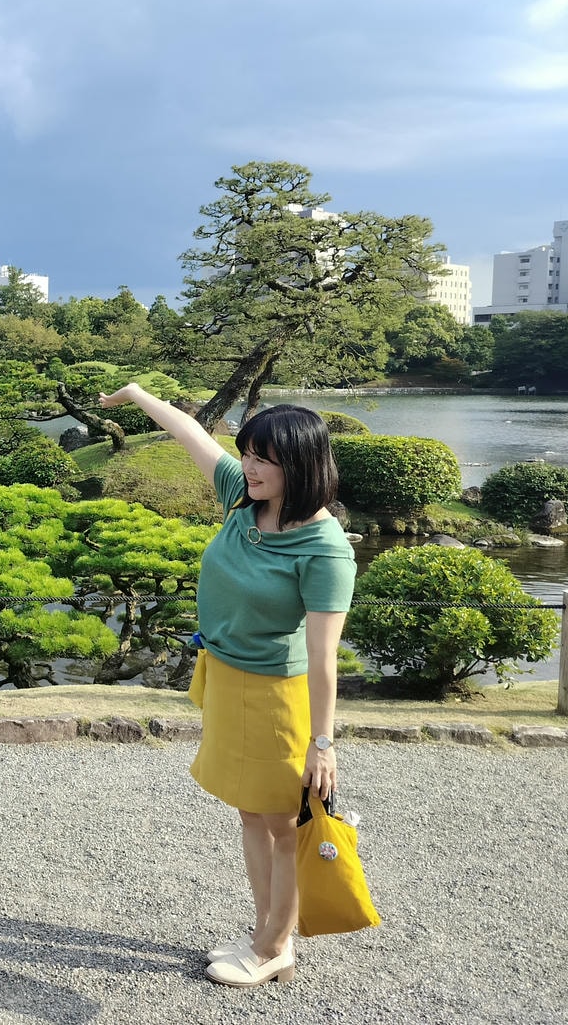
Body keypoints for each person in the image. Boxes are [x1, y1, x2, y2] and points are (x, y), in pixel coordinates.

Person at [98, 384, 355, 988]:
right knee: (249, 814)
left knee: (284, 826)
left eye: (265, 459)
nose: (250, 467)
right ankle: (266, 929)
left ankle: (273, 947)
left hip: (279, 698)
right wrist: (138, 396)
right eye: (248, 454)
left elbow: (323, 659)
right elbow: (189, 433)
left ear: (302, 465)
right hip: (225, 678)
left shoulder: (325, 550)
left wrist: (323, 742)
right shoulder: (244, 500)